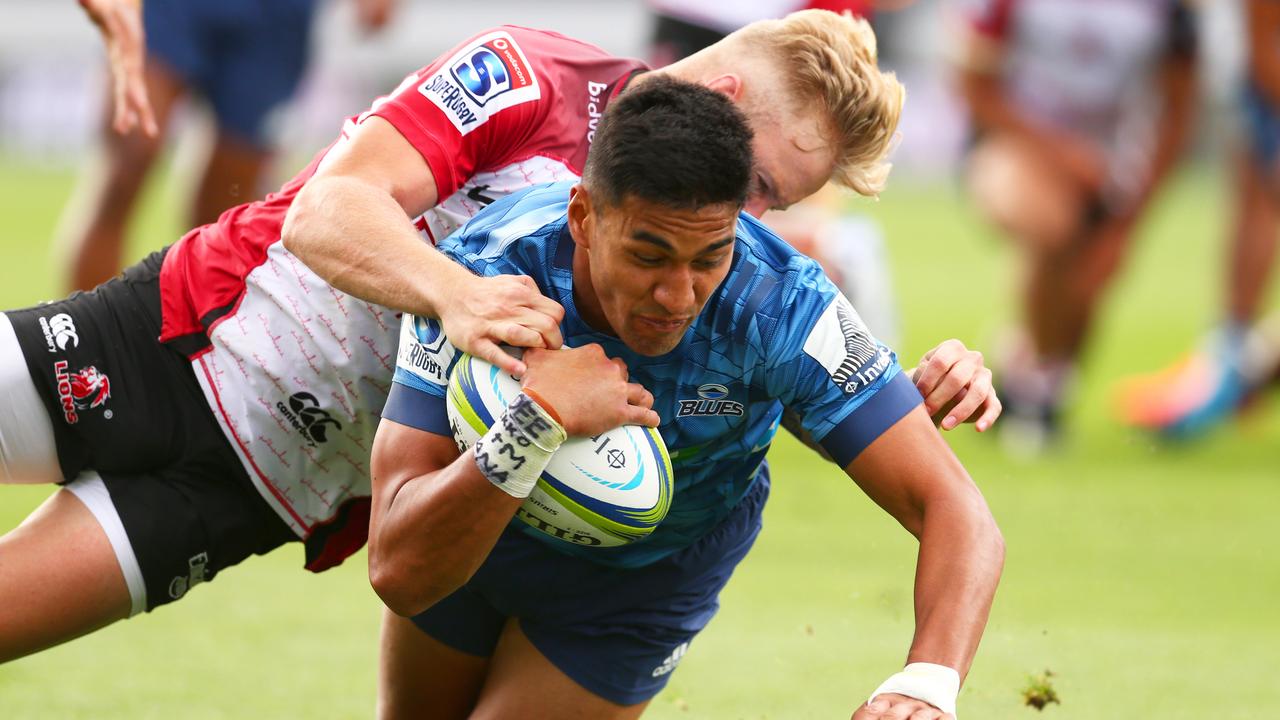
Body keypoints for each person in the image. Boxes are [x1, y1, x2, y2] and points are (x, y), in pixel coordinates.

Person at [0, 12, 996, 665]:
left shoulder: (681, 238)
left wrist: (889, 394)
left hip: (265, 493)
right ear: (725, 104)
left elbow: (689, 368)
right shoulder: (529, 75)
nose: (750, 221)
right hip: (183, 341)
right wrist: (452, 296)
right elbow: (328, 212)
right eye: (763, 189)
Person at [370, 77, 1003, 720]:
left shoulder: (783, 304)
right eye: (650, 255)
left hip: (649, 576)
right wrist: (537, 423)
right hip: (481, 531)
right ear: (584, 217)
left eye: (710, 256)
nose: (678, 296)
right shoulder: (488, 272)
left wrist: (926, 684)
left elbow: (957, 508)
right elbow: (397, 568)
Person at [954, 0, 1198, 450]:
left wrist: (1130, 220)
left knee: (1089, 283)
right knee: (1051, 223)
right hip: (1018, 145)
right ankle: (1037, 388)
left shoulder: (1170, 12)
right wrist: (1065, 156)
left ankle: (1031, 369)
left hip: (1116, 165)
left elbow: (1179, 107)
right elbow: (973, 84)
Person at [61, 0, 396, 293]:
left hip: (274, 15)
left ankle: (189, 352)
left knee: (225, 214)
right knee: (130, 159)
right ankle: (80, 351)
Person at [1117, 0, 1280, 438]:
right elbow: (1264, 57)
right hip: (1258, 84)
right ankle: (1234, 358)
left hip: (1257, 79)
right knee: (1254, 192)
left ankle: (1239, 362)